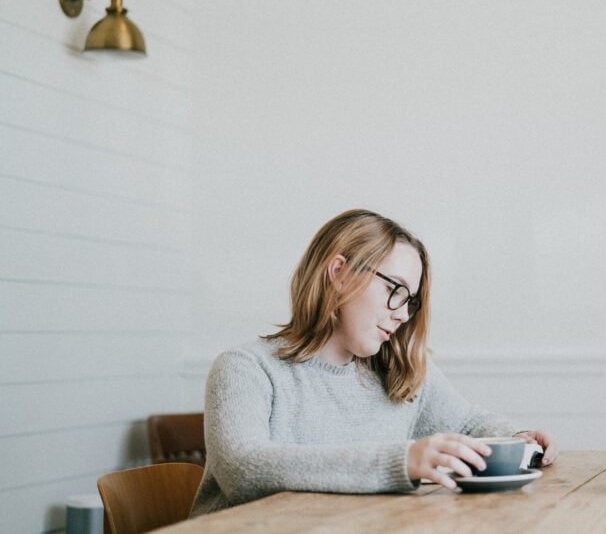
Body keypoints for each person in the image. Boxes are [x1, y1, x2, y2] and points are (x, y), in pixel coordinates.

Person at [191, 210, 558, 516]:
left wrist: (517, 437)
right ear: (338, 273)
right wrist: (400, 461)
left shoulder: (400, 371)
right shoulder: (245, 368)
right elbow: (242, 469)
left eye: (409, 300)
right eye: (393, 289)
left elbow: (468, 423)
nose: (402, 315)